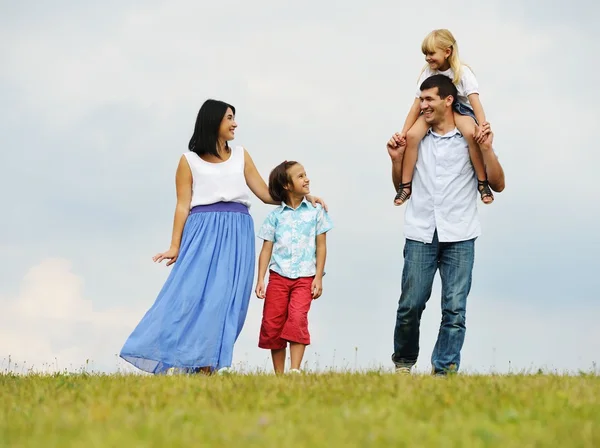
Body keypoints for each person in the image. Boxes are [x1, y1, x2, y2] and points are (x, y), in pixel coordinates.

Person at [119, 99, 327, 375]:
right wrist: (174, 245)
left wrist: (301, 197)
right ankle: (180, 356)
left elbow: (266, 194)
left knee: (229, 300)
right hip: (202, 231)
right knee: (192, 295)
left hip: (238, 231)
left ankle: (208, 365)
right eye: (229, 118)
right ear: (213, 121)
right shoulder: (188, 161)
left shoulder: (241, 155)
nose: (235, 123)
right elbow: (182, 204)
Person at [386, 74, 505, 375]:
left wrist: (488, 149)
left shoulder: (471, 137)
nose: (422, 105)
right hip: (421, 231)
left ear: (448, 100)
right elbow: (400, 184)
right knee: (410, 305)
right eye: (421, 99)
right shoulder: (416, 139)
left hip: (460, 233)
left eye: (429, 100)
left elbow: (499, 184)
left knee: (454, 310)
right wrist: (395, 160)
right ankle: (403, 363)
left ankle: (444, 371)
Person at [394, 28, 495, 206]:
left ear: (447, 52)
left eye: (431, 53)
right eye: (425, 54)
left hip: (460, 109)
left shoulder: (462, 72)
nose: (427, 58)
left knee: (471, 135)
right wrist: (403, 133)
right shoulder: (428, 72)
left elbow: (475, 102)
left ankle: (482, 182)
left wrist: (482, 125)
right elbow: (416, 106)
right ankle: (406, 185)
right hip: (433, 109)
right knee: (412, 136)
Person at [255, 161, 333, 374]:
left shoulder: (316, 212)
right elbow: (266, 250)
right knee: (273, 323)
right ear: (287, 186)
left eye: (305, 174)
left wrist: (319, 277)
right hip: (278, 277)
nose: (306, 179)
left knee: (297, 319)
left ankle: (295, 371)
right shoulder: (275, 217)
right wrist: (260, 279)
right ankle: (279, 374)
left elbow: (321, 246)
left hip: (305, 277)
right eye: (300, 176)